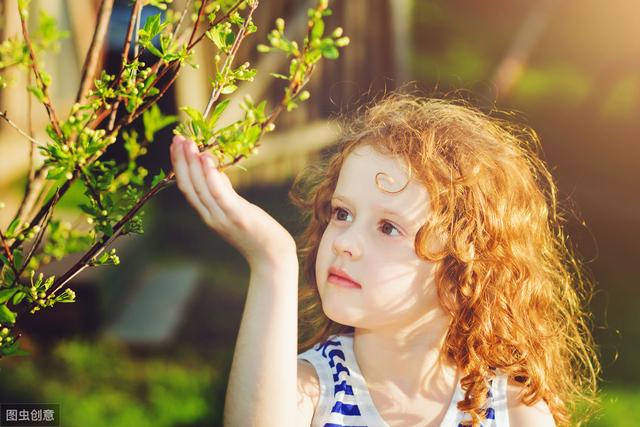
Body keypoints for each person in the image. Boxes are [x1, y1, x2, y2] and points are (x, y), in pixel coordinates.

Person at [169, 92, 599, 427]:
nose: (344, 243)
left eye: (388, 227)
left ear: (461, 273)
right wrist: (273, 262)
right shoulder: (312, 390)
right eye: (342, 214)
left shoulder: (511, 410)